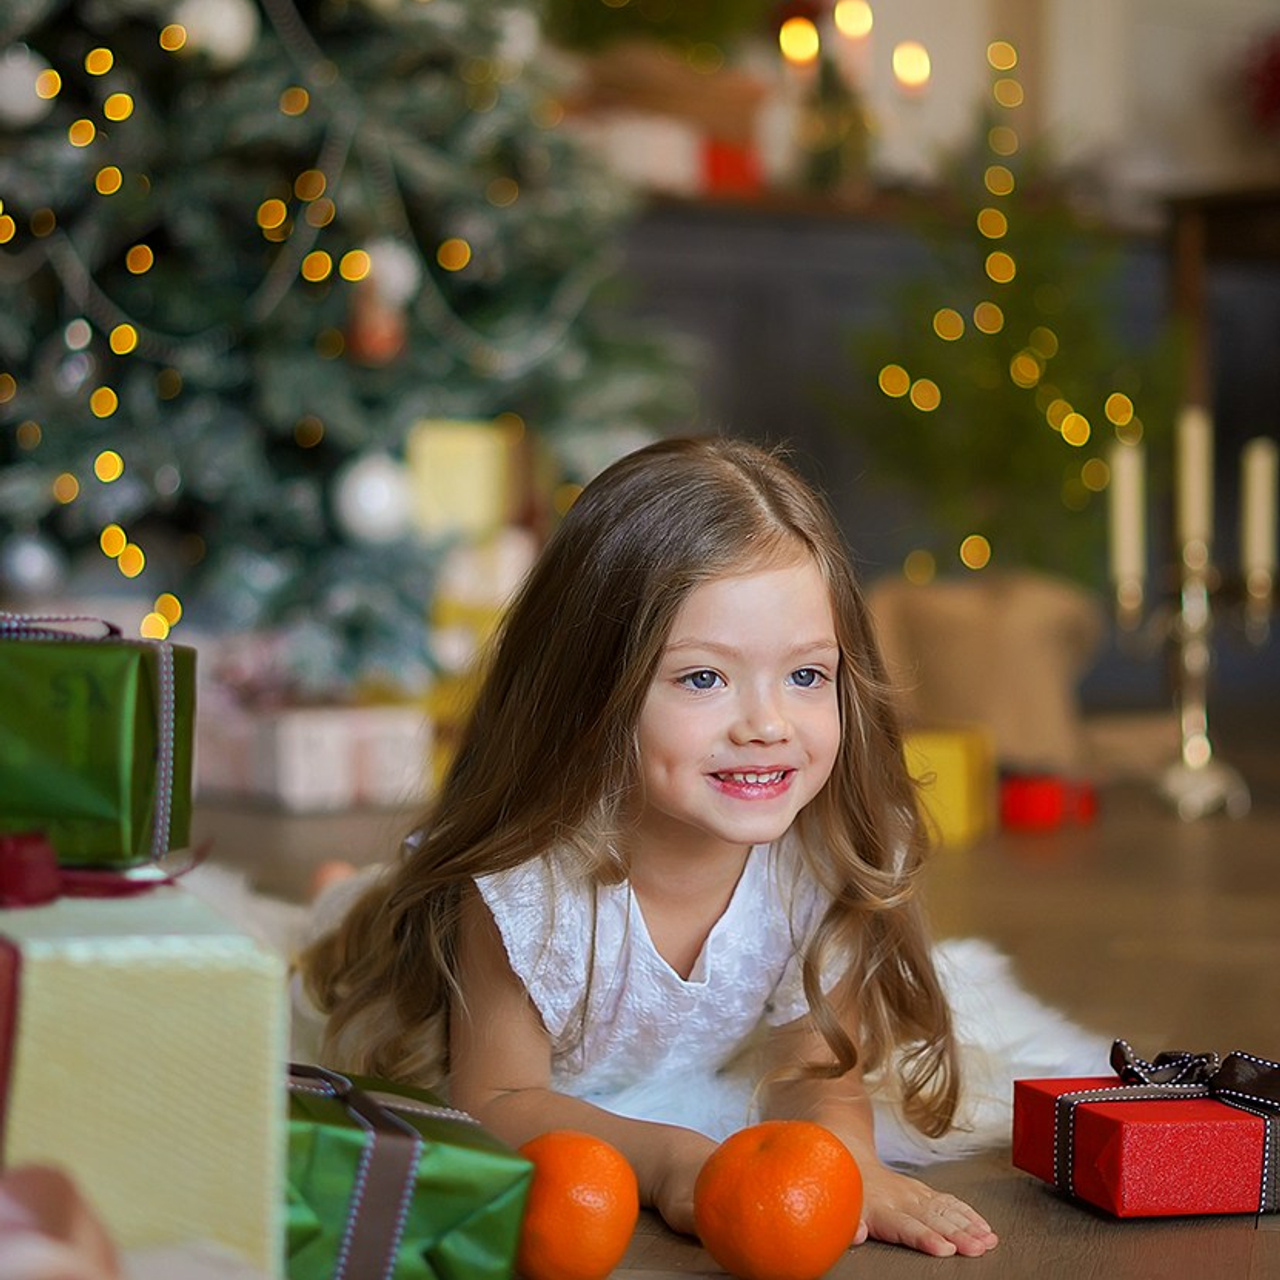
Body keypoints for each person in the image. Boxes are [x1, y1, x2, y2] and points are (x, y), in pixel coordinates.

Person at [298, 435, 1099, 1259]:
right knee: (349, 925)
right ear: (591, 694)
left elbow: (811, 1068)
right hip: (403, 941)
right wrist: (668, 1157)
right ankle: (342, 889)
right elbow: (497, 1098)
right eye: (704, 678)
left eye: (806, 675)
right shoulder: (526, 893)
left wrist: (850, 1160)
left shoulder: (818, 862)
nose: (768, 725)